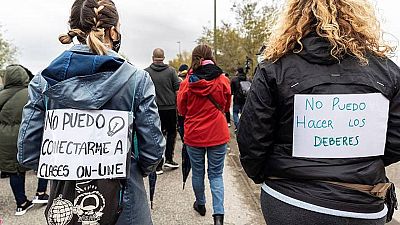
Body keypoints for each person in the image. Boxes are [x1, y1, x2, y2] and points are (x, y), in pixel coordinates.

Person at [238, 0, 400, 225]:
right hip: (363, 203)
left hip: (289, 200)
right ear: (357, 16)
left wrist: (267, 175)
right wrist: (362, 162)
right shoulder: (387, 70)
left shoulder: (274, 67)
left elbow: (252, 142)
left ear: (294, 17)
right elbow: (396, 142)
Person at [17, 0, 164, 224]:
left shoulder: (42, 82)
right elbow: (152, 152)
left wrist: (63, 165)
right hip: (126, 205)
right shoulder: (137, 80)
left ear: (74, 28)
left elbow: (27, 152)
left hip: (66, 204)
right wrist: (136, 169)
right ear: (113, 31)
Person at [177, 44, 231, 225]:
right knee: (216, 175)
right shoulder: (222, 79)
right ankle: (219, 216)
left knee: (197, 173)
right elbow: (225, 105)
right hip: (217, 132)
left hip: (194, 135)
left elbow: (182, 110)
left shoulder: (186, 83)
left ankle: (200, 204)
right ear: (210, 57)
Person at [0, 64, 49, 216]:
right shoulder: (31, 92)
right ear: (24, 76)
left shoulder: (1, 94)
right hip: (29, 135)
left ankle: (21, 204)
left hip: (5, 140)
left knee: (14, 170)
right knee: (42, 162)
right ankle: (41, 193)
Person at [145, 48, 181, 173]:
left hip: (153, 109)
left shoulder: (146, 72)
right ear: (163, 58)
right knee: (171, 133)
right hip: (170, 108)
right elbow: (177, 90)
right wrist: (179, 107)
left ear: (152, 57)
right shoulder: (171, 71)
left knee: (157, 135)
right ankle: (169, 159)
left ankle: (158, 165)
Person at [230, 67, 248, 132]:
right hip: (245, 99)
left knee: (235, 113)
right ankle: (244, 126)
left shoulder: (234, 80)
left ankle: (237, 126)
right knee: (244, 113)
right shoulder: (247, 79)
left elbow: (231, 91)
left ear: (237, 71)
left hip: (237, 99)